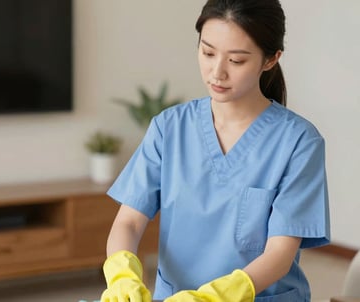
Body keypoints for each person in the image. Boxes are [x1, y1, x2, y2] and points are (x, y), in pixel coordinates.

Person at [100, 0, 330, 301]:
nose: (217, 72)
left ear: (271, 60)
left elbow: (279, 254)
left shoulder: (299, 142)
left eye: (236, 61)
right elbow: (129, 221)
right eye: (208, 53)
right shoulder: (169, 128)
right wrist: (122, 277)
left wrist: (214, 296)